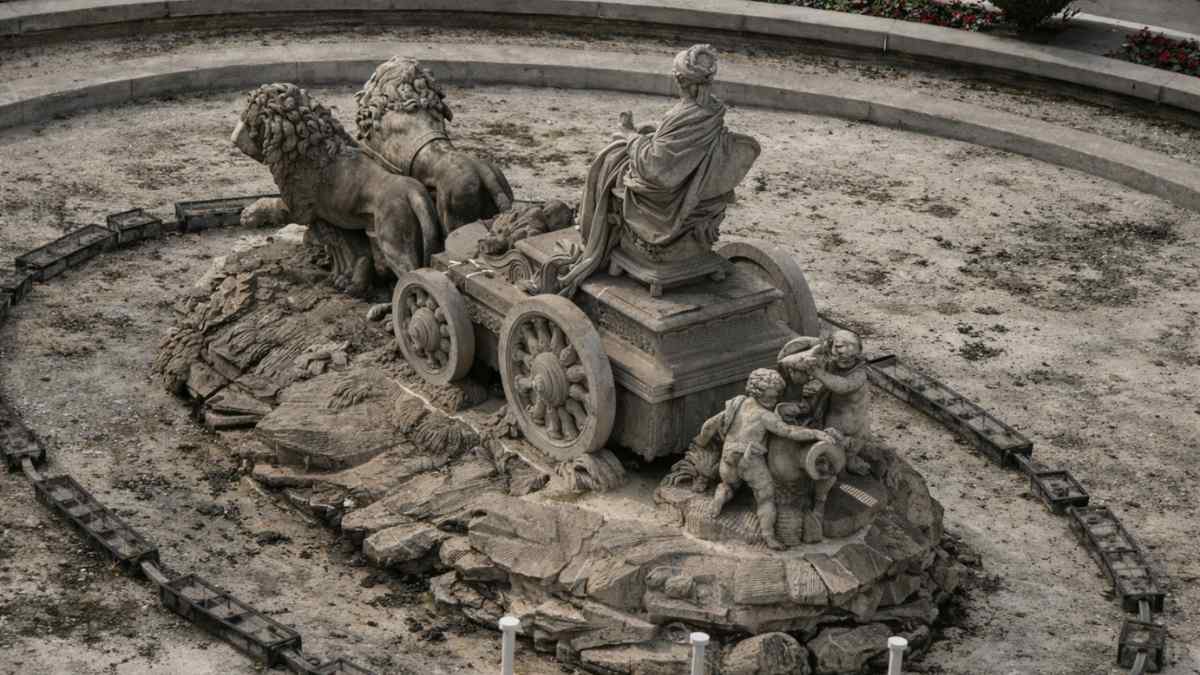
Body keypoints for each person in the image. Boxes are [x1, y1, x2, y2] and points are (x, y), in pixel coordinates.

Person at [558, 44, 759, 296]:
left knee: (608, 161)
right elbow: (680, 149)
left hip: (666, 199)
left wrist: (629, 134)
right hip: (694, 184)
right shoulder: (713, 109)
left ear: (678, 79)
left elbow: (654, 168)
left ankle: (595, 238)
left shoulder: (682, 114)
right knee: (615, 156)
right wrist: (652, 135)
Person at [693, 369, 835, 550]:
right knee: (766, 498)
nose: (774, 401)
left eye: (776, 397)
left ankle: (721, 497)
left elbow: (709, 425)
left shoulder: (737, 403)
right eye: (772, 397)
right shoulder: (765, 415)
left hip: (727, 458)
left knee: (729, 484)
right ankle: (769, 538)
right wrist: (815, 433)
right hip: (750, 460)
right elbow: (789, 432)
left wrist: (701, 441)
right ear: (758, 393)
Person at [778, 330, 871, 476]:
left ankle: (846, 458)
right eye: (839, 354)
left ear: (857, 354)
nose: (843, 360)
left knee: (838, 441)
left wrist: (815, 371)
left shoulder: (860, 374)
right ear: (831, 347)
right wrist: (812, 352)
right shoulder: (828, 354)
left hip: (850, 418)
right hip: (831, 409)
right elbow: (784, 361)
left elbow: (841, 386)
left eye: (850, 357)